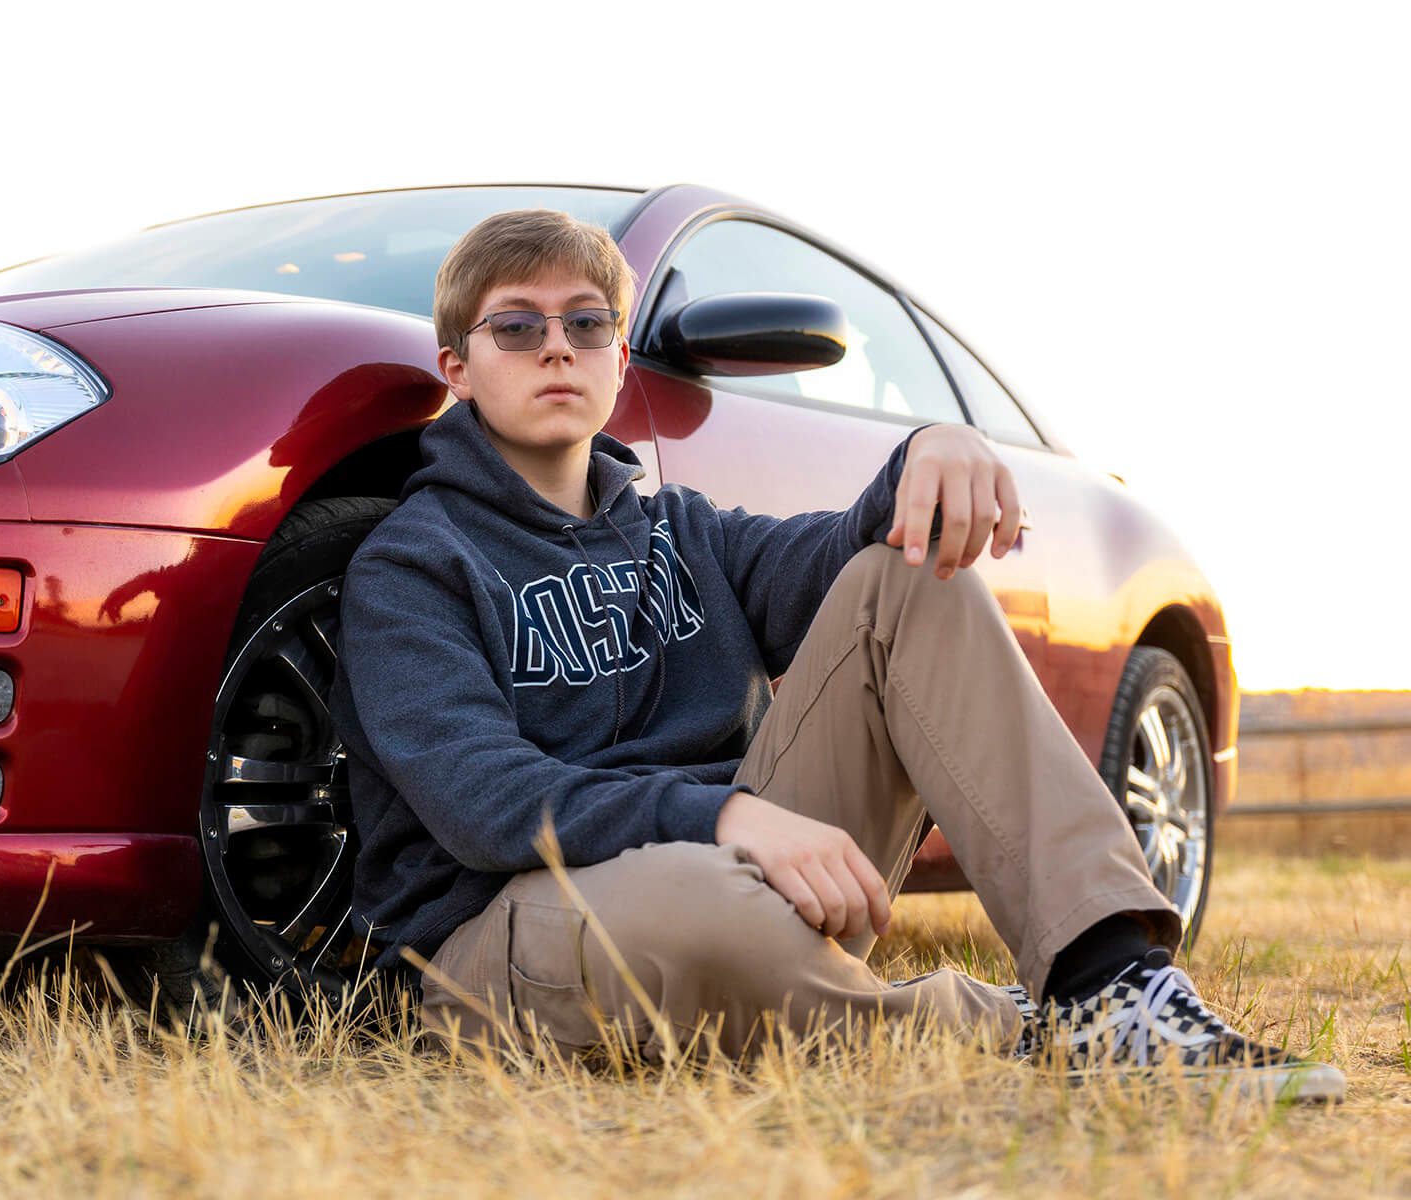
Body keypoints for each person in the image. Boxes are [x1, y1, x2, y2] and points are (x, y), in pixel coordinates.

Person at [327, 209, 1342, 1102]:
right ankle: (983, 1025)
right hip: (511, 939)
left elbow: (837, 556)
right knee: (700, 906)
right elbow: (482, 800)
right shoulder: (412, 566)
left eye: (586, 323)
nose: (557, 348)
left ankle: (1108, 986)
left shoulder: (682, 528)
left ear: (620, 357)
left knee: (906, 579)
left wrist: (927, 451)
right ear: (457, 366)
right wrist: (729, 816)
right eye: (517, 326)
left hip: (755, 894)